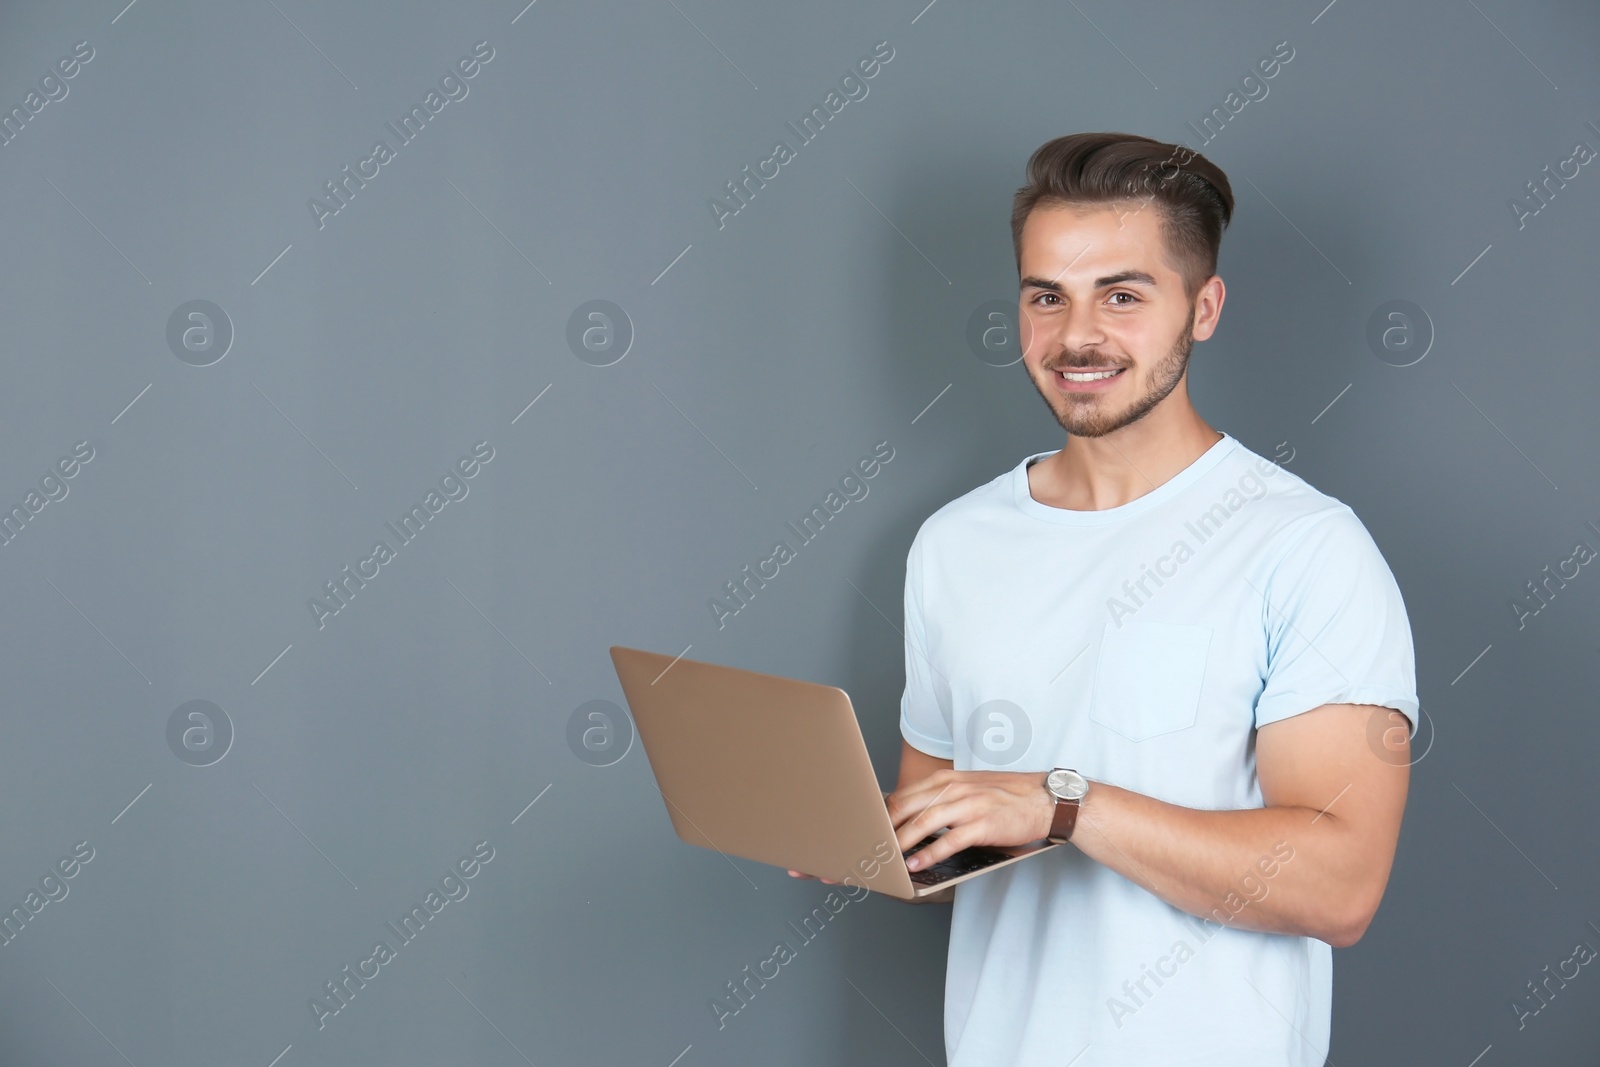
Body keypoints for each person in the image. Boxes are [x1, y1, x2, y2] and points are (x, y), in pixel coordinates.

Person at [793, 132, 1418, 1065]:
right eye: (1047, 296)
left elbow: (1339, 887)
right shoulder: (954, 545)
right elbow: (946, 831)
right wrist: (865, 837)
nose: (1076, 335)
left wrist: (1063, 802)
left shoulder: (1304, 545)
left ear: (1203, 308)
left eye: (1122, 295)